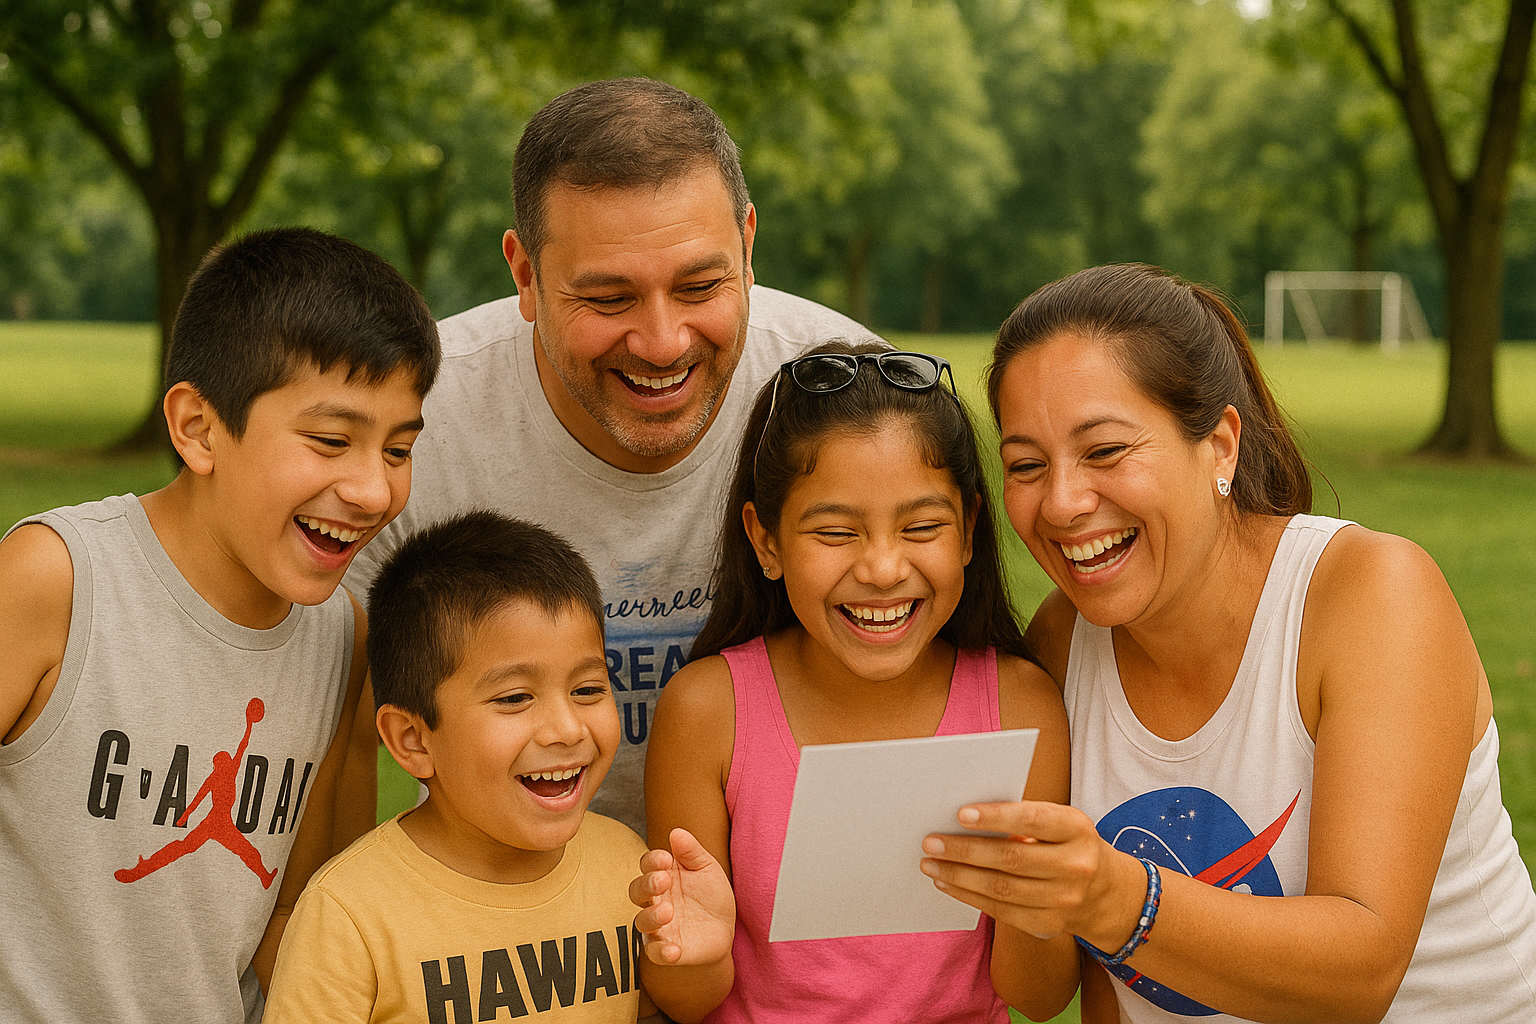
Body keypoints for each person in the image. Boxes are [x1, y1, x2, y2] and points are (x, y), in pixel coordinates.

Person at [918, 263, 1536, 1023]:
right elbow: (1103, 995)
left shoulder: (1370, 594)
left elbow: (1361, 970)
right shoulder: (1060, 641)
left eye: (1106, 451)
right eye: (1026, 466)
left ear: (1219, 446)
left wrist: (1119, 899)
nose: (1064, 502)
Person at [342, 78, 881, 836]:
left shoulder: (851, 397)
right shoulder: (413, 424)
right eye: (608, 299)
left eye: (700, 284)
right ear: (525, 274)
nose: (662, 343)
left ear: (749, 244)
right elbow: (329, 734)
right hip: (511, 919)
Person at [0, 227, 441, 1023]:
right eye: (333, 441)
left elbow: (303, 916)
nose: (374, 490)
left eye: (399, 449)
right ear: (199, 428)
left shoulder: (345, 641)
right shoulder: (54, 582)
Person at [630, 340, 1079, 1023]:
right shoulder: (708, 710)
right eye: (836, 532)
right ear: (767, 541)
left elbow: (1040, 999)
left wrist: (1035, 909)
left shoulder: (1021, 705)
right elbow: (688, 1003)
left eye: (922, 526)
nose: (882, 568)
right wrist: (695, 952)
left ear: (967, 531)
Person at [264, 511, 665, 1023]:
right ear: (413, 740)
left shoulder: (628, 865)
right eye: (516, 697)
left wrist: (709, 951)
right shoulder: (348, 913)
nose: (566, 729)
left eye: (587, 689)